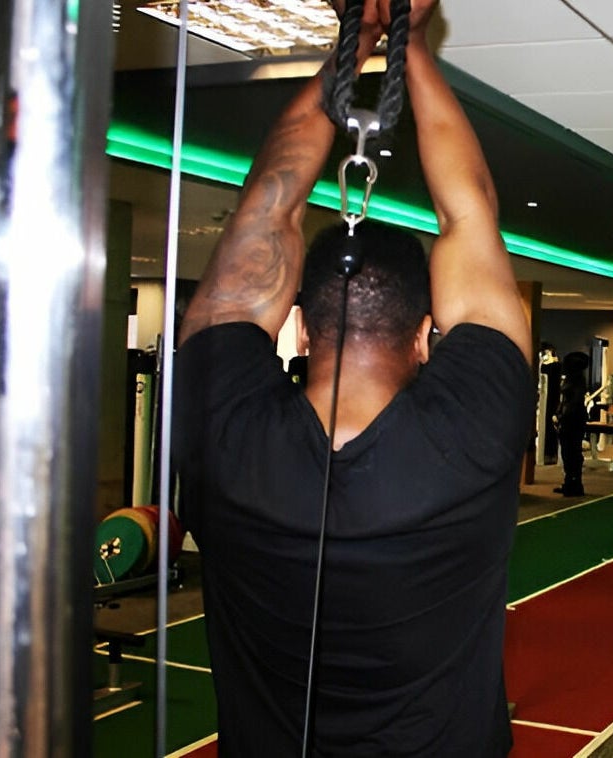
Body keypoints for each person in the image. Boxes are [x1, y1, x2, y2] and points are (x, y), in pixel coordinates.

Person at [172, 1, 531, 754]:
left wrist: (358, 38)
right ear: (425, 337)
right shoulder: (471, 434)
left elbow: (267, 209)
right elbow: (469, 213)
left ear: (301, 328)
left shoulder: (222, 430)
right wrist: (410, 40)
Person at [553, 351, 590, 496]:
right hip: (570, 419)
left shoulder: (577, 381)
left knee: (572, 452)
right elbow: (565, 402)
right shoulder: (572, 380)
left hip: (573, 420)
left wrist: (562, 416)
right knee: (568, 452)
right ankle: (570, 482)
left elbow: (574, 403)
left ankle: (574, 484)